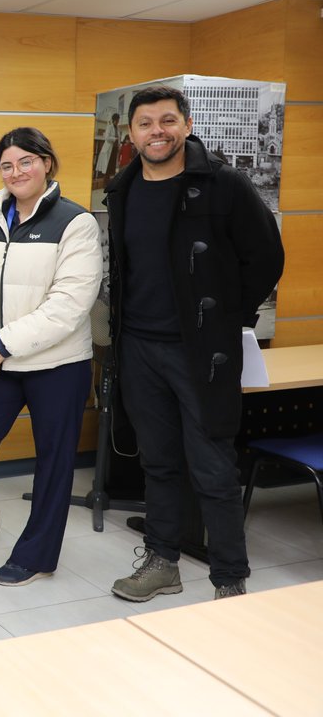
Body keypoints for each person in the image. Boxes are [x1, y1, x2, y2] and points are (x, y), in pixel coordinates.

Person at [105, 85, 283, 602]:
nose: (156, 132)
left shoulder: (223, 184)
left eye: (167, 121)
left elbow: (266, 258)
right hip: (139, 347)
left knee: (212, 467)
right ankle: (162, 562)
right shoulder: (124, 189)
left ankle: (229, 578)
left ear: (186, 124)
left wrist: (229, 318)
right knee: (158, 462)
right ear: (132, 133)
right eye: (145, 124)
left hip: (201, 351)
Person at [0, 128, 101, 586]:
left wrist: (3, 341)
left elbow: (69, 304)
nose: (16, 172)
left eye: (26, 162)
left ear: (47, 163)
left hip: (58, 365)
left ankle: (35, 556)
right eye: (7, 165)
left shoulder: (75, 222)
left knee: (54, 464)